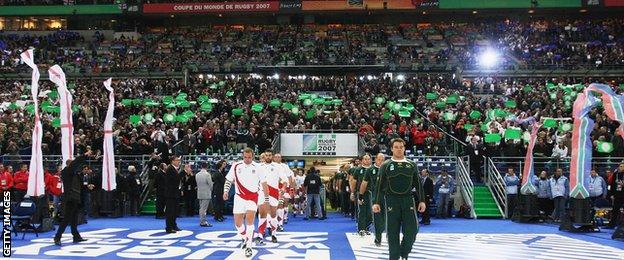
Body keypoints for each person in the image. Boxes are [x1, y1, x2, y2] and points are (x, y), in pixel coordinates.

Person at [373, 138, 426, 260]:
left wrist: (422, 200)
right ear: (391, 149)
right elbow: (379, 186)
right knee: (392, 234)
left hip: (408, 200)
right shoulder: (386, 166)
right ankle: (394, 257)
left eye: (401, 147)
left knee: (412, 231)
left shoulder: (411, 165)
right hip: (391, 201)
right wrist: (376, 202)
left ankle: (404, 251)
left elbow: (418, 184)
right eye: (396, 147)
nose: (399, 149)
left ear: (404, 148)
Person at [223, 148, 268, 258]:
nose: (247, 159)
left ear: (253, 157)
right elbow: (229, 179)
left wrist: (266, 200)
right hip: (239, 198)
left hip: (252, 198)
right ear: (242, 156)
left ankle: (249, 246)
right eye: (245, 157)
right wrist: (225, 191)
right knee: (238, 224)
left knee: (250, 222)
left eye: (249, 157)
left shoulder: (258, 167)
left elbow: (264, 184)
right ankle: (244, 237)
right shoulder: (236, 165)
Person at [54, 150, 92, 246]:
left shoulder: (75, 174)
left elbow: (80, 185)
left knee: (74, 218)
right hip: (70, 198)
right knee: (66, 219)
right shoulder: (66, 172)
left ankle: (76, 236)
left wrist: (87, 187)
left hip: (75, 198)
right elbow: (76, 163)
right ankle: (57, 237)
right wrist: (84, 155)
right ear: (69, 165)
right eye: (73, 164)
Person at [359, 153, 385, 246]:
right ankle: (378, 239)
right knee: (377, 218)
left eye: (383, 160)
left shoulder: (388, 169)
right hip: (375, 197)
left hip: (388, 197)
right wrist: (360, 195)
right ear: (376, 159)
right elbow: (364, 183)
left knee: (386, 219)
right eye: (379, 159)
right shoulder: (370, 170)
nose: (381, 162)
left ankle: (384, 233)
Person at [274, 153, 295, 227]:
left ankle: (283, 219)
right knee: (275, 205)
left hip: (284, 187)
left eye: (278, 157)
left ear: (281, 158)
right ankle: (274, 222)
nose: (277, 158)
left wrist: (291, 189)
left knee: (284, 203)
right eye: (276, 157)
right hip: (273, 187)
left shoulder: (285, 166)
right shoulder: (271, 165)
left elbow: (289, 178)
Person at [355, 154, 373, 236]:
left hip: (371, 193)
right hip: (361, 193)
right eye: (365, 159)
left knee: (370, 212)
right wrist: (352, 192)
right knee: (362, 211)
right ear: (362, 160)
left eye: (368, 159)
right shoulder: (358, 170)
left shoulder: (374, 169)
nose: (367, 160)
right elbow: (353, 181)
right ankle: (361, 229)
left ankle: (366, 227)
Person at [164, 156, 182, 233]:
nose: (178, 162)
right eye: (177, 160)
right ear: (172, 161)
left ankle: (174, 225)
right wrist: (184, 172)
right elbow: (176, 178)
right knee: (170, 211)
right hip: (170, 194)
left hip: (174, 193)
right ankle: (169, 227)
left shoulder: (173, 169)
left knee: (174, 211)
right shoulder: (170, 169)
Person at [196, 162, 213, 227]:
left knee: (201, 208)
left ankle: (202, 221)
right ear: (207, 167)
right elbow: (211, 185)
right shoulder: (207, 174)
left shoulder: (197, 174)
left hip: (199, 193)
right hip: (206, 193)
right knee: (204, 209)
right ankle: (203, 222)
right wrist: (210, 190)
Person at [608, 164, 624, 228]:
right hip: (617, 195)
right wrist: (612, 194)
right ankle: (612, 225)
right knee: (615, 210)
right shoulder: (615, 174)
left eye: (622, 166)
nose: (620, 167)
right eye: (619, 166)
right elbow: (612, 185)